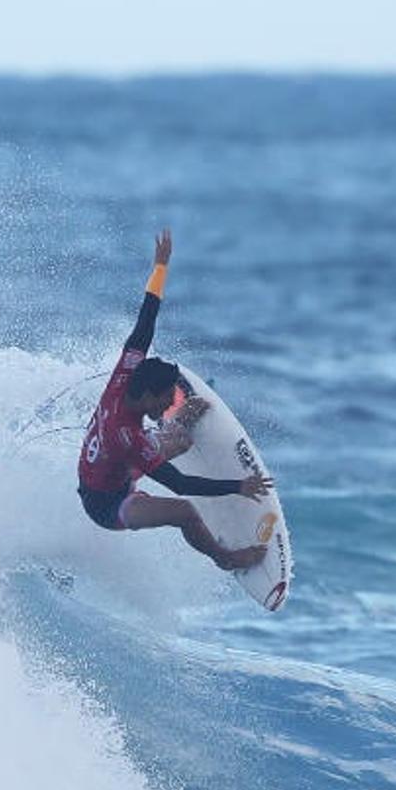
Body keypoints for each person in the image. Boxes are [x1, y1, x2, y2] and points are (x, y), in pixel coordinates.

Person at [76, 229, 272, 571]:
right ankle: (225, 558)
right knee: (185, 512)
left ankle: (179, 429)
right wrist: (239, 486)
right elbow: (180, 484)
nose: (168, 402)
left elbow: (145, 323)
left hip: (112, 467)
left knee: (179, 440)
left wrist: (161, 266)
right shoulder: (127, 437)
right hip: (107, 504)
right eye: (166, 399)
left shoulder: (126, 372)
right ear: (149, 393)